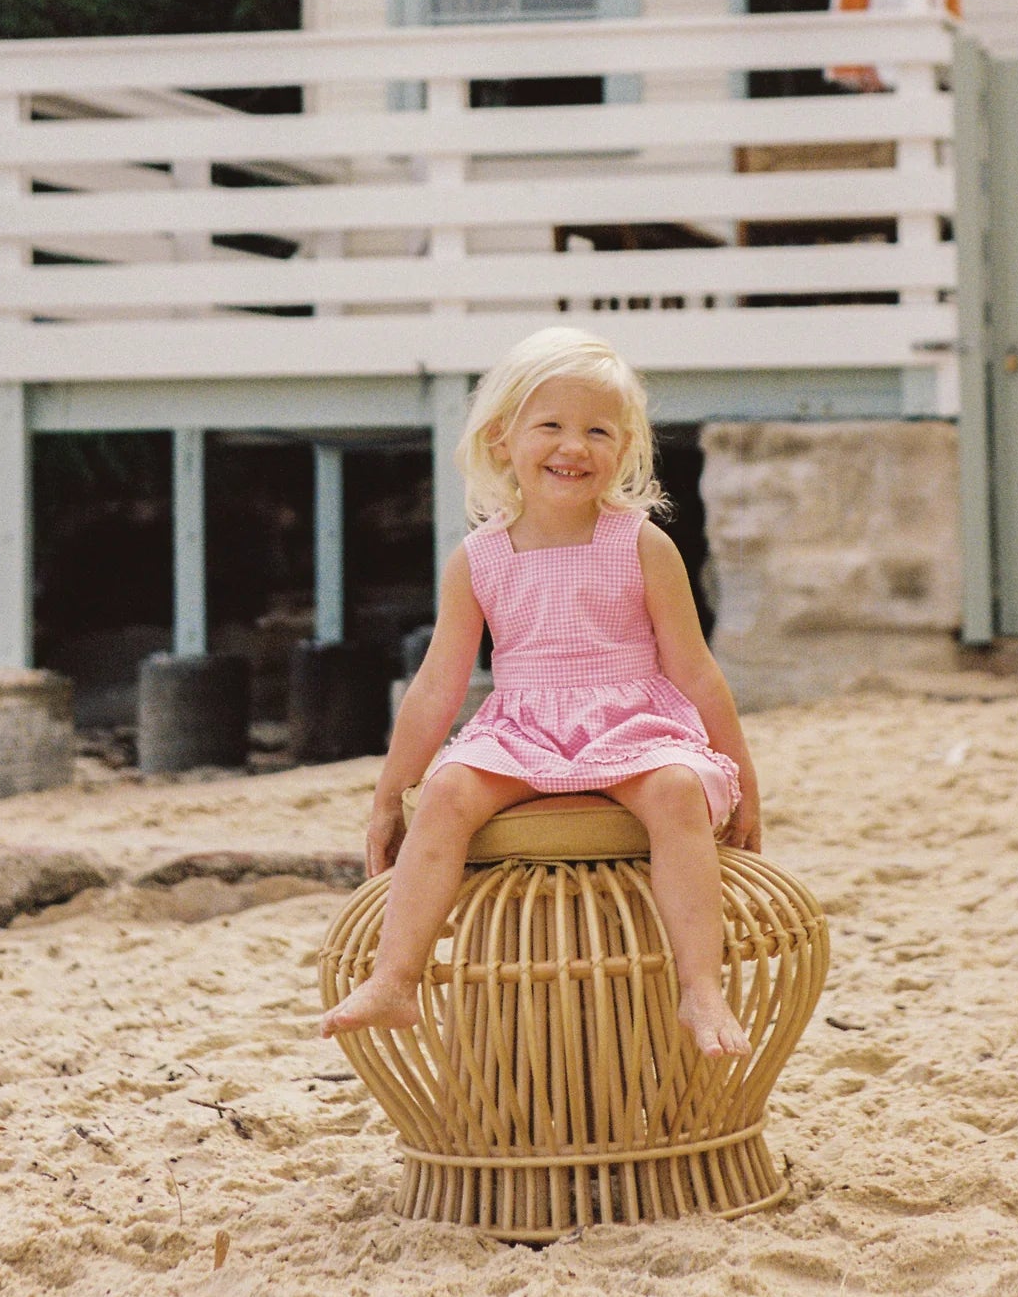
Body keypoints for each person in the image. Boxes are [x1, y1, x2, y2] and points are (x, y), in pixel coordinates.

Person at [321, 326, 764, 1058]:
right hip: (524, 727)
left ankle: (700, 986)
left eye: (597, 429)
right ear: (503, 439)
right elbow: (438, 685)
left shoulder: (641, 544)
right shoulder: (480, 559)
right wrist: (387, 793)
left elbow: (694, 669)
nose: (574, 445)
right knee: (449, 791)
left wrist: (744, 778)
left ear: (622, 448)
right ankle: (396, 977)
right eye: (551, 425)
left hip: (634, 722)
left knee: (678, 792)